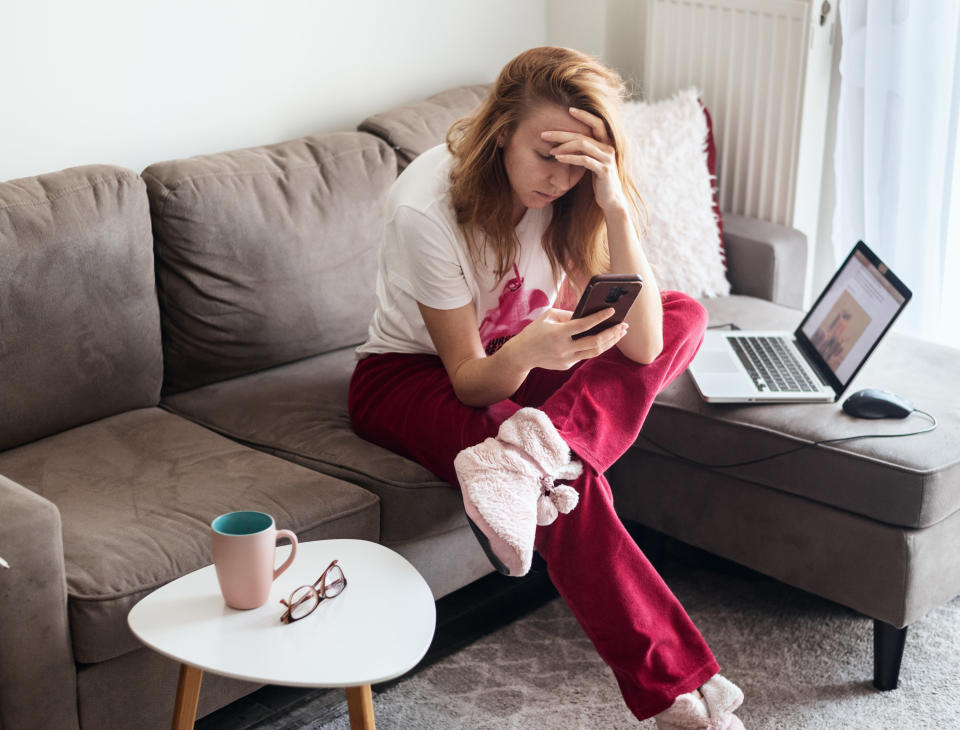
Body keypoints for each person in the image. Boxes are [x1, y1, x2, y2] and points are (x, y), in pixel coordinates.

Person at [349, 46, 746, 729]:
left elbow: (647, 346)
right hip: (413, 378)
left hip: (526, 357)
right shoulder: (428, 207)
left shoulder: (571, 200)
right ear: (502, 128)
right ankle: (676, 697)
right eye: (546, 153)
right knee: (565, 487)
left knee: (684, 313)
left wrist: (615, 209)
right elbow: (471, 384)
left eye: (578, 160)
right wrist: (533, 348)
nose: (559, 177)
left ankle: (539, 452)